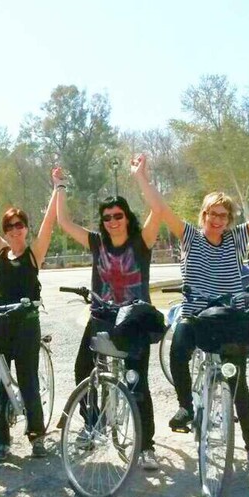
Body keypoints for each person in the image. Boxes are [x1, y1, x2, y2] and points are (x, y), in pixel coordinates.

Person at [149, 162, 249, 474]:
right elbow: (161, 208)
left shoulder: (236, 239)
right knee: (178, 348)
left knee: (238, 385)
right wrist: (141, 176)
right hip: (196, 316)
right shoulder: (191, 237)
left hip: (231, 318)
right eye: (212, 214)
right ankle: (185, 407)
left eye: (223, 215)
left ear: (228, 219)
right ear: (203, 216)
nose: (217, 220)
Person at [52, 157, 163, 470]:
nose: (113, 221)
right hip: (101, 318)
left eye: (118, 215)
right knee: (83, 372)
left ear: (127, 217)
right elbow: (64, 223)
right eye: (107, 217)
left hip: (133, 321)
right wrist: (60, 187)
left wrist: (141, 177)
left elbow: (159, 210)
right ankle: (92, 425)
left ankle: (146, 446)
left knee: (137, 382)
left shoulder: (142, 242)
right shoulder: (97, 242)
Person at [0, 176, 57, 459]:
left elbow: (49, 224)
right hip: (0, 323)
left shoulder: (34, 254)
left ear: (26, 228)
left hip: (26, 326)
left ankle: (37, 436)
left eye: (20, 225)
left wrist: (57, 188)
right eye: (10, 226)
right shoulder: (2, 252)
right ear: (5, 232)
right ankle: (2, 440)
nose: (15, 230)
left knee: (27, 380)